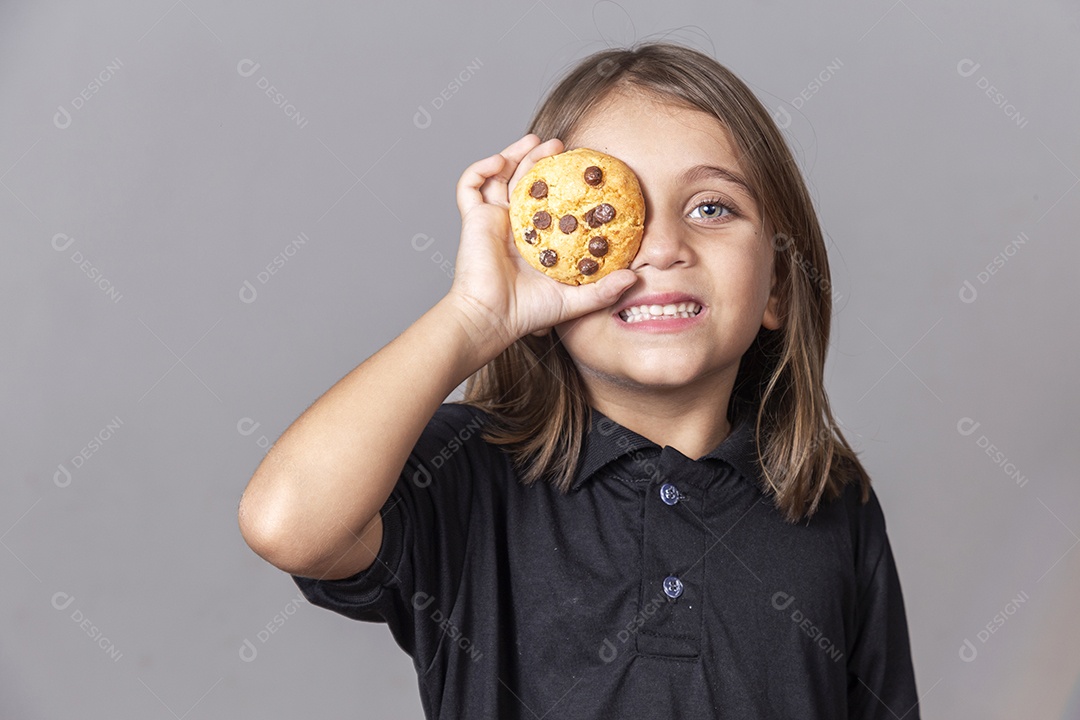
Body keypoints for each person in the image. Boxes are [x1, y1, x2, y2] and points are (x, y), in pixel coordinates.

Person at [238, 40, 921, 719]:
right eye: (608, 213)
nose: (661, 247)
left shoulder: (833, 506)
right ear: (543, 265)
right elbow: (287, 522)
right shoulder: (466, 477)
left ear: (776, 285)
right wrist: (474, 317)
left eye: (711, 207)